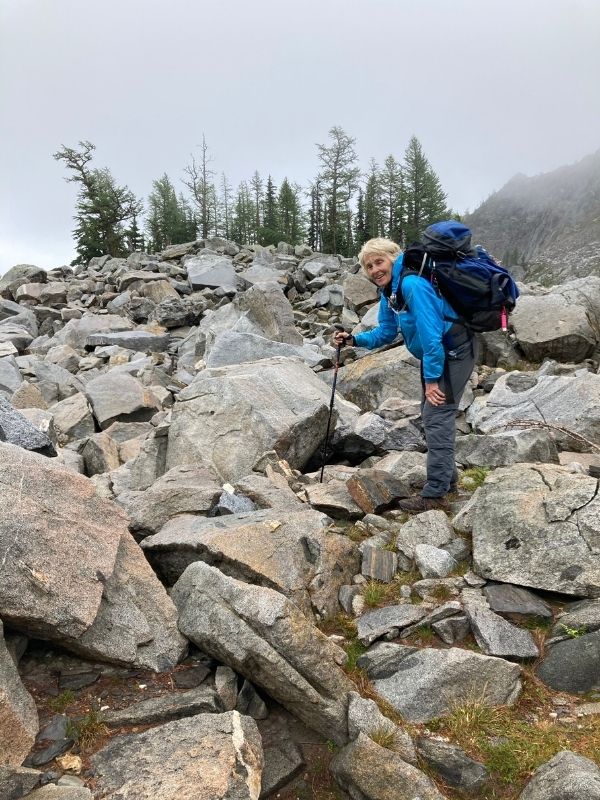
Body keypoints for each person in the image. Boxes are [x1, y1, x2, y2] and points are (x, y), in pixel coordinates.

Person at [333, 237, 476, 512]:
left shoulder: (411, 284)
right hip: (438, 354)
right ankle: (448, 482)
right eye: (369, 266)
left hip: (454, 351)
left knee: (436, 416)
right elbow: (386, 333)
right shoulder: (390, 291)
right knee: (432, 415)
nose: (374, 270)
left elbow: (432, 335)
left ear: (393, 258)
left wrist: (432, 380)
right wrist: (353, 341)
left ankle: (435, 495)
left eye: (379, 262)